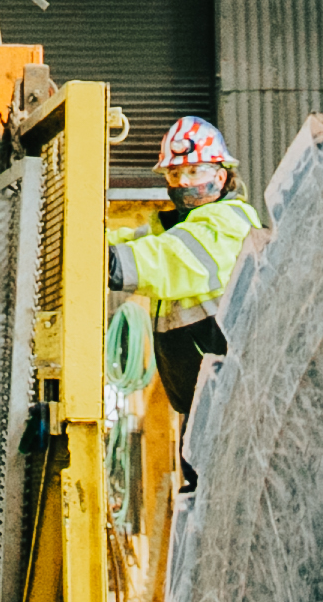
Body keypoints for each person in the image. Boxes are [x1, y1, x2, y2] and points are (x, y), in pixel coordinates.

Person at [108, 115, 262, 427]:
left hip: (238, 401)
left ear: (220, 177)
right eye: (175, 173)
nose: (183, 182)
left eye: (194, 171)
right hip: (204, 405)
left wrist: (109, 262)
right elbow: (130, 242)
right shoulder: (174, 228)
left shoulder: (229, 224)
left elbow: (166, 260)